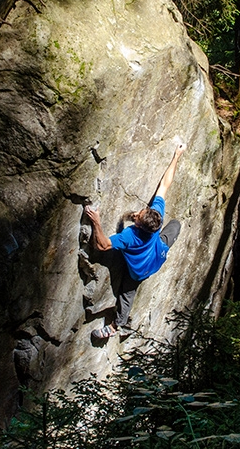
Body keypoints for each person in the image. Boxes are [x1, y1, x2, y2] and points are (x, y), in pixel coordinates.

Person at [84, 141, 186, 340]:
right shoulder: (156, 215)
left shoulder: (131, 236)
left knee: (126, 295)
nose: (138, 212)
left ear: (139, 225)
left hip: (139, 270)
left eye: (138, 216)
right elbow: (165, 184)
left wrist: (96, 222)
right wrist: (177, 156)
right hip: (158, 252)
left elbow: (102, 245)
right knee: (175, 226)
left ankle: (115, 326)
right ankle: (171, 234)